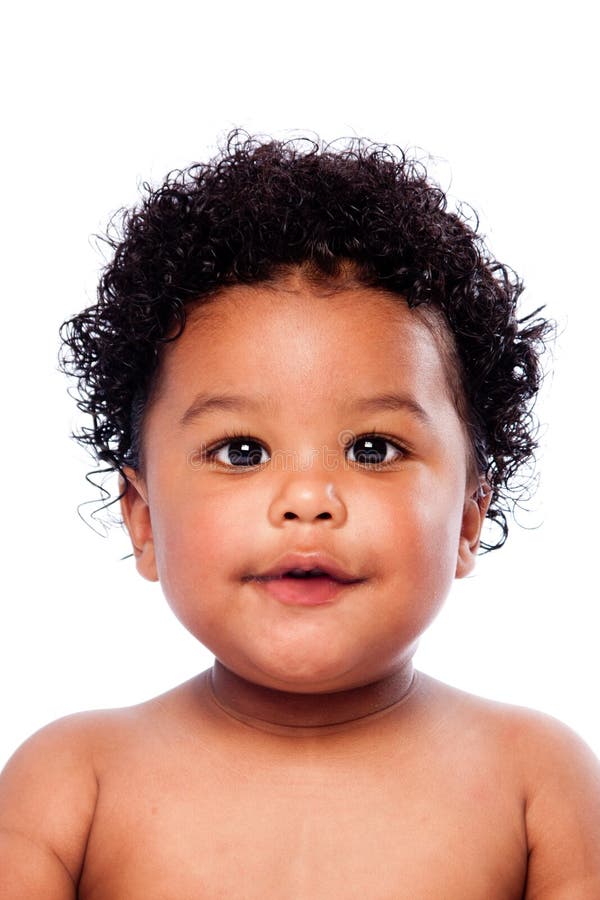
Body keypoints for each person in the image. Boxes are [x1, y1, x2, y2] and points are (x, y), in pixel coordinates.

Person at [1, 131, 599, 898]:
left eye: (374, 448)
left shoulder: (537, 786)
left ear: (467, 518)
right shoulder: (71, 785)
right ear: (143, 519)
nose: (310, 499)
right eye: (243, 451)